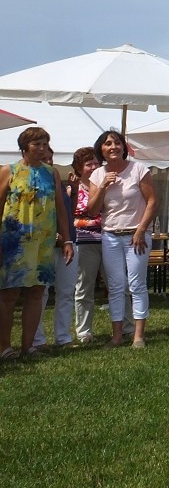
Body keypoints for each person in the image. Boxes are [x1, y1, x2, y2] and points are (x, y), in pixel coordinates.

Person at [0, 128, 73, 359]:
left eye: (45, 144)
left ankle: (28, 346)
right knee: (9, 294)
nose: (42, 149)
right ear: (25, 146)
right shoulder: (8, 171)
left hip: (43, 241)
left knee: (36, 291)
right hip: (14, 241)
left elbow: (61, 209)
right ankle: (4, 347)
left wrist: (66, 238)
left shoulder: (51, 173)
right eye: (37, 144)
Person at [87, 130, 157, 348]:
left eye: (117, 143)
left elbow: (153, 202)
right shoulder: (97, 175)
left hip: (137, 236)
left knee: (137, 284)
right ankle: (117, 335)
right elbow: (92, 210)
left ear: (123, 147)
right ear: (101, 149)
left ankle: (138, 336)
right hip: (110, 236)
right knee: (116, 286)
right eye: (108, 144)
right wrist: (102, 187)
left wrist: (141, 229)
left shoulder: (138, 169)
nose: (113, 147)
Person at [34, 145, 78, 350]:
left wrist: (74, 191)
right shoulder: (34, 185)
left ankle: (63, 337)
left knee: (67, 291)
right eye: (44, 159)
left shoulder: (60, 185)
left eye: (51, 158)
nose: (49, 162)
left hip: (68, 243)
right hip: (45, 246)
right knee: (40, 293)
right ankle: (38, 339)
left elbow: (68, 213)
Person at [70, 146, 103, 343]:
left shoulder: (106, 186)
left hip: (108, 240)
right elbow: (71, 216)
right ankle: (84, 332)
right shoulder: (72, 189)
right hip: (84, 243)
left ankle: (126, 326)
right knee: (84, 287)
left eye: (96, 163)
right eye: (88, 164)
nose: (93, 167)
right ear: (79, 168)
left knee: (117, 285)